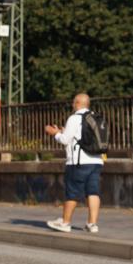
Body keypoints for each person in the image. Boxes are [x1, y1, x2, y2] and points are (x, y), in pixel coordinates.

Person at [45, 93, 103, 234]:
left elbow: (65, 140)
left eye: (73, 102)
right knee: (93, 192)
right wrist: (63, 132)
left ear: (77, 103)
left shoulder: (74, 118)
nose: (72, 105)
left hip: (78, 162)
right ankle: (92, 224)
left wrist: (54, 133)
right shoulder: (96, 118)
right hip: (96, 161)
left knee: (72, 193)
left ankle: (65, 223)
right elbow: (79, 137)